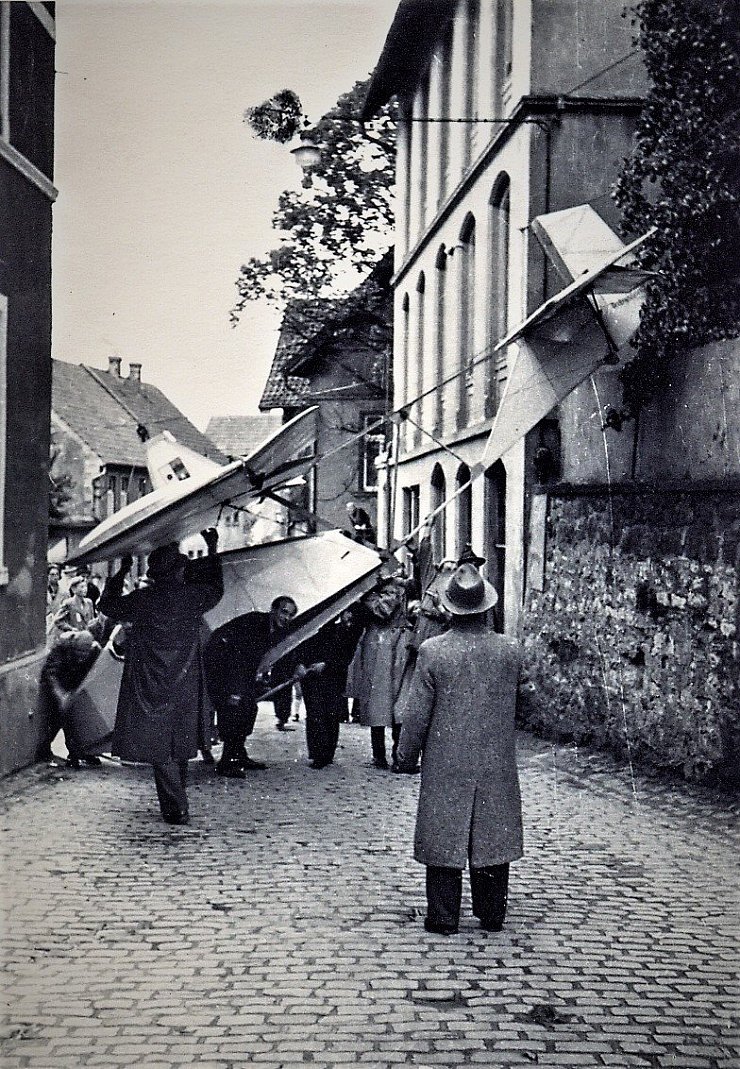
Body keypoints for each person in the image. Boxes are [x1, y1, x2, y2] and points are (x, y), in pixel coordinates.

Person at [394, 563, 523, 936]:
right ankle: (492, 913)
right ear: (486, 607)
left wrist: (405, 757)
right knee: (491, 835)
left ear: (450, 607)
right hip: (495, 760)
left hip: (445, 759)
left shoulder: (434, 652)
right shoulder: (510, 651)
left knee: (443, 833)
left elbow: (417, 714)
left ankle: (444, 916)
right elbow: (525, 699)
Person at [97, 531, 223, 825]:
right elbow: (216, 589)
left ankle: (176, 804)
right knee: (178, 739)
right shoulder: (192, 597)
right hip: (185, 678)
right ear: (177, 571)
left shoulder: (142, 599)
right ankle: (176, 802)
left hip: (150, 681)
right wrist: (213, 548)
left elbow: (107, 606)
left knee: (158, 741)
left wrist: (122, 572)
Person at [202, 595, 298, 778]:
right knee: (233, 710)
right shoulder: (255, 624)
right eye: (284, 612)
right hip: (221, 666)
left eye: (290, 615)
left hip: (236, 668)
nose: (286, 618)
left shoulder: (272, 629)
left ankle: (239, 754)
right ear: (273, 610)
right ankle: (226, 762)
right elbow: (236, 657)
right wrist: (235, 691)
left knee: (249, 708)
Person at [346, 578, 407, 769]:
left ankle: (396, 755)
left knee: (396, 704)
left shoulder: (389, 591)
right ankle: (380, 754)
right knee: (378, 703)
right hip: (378, 648)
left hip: (391, 647)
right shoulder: (379, 592)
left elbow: (385, 610)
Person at [294, 607, 365, 769]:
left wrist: (326, 664)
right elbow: (299, 646)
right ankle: (318, 754)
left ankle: (326, 754)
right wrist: (299, 664)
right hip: (310, 675)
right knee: (314, 714)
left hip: (332, 677)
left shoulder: (346, 631)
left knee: (330, 715)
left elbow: (346, 656)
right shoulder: (312, 627)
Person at [36, 630, 103, 768]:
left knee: (83, 720)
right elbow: (51, 673)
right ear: (73, 648)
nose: (82, 657)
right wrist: (60, 695)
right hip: (59, 685)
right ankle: (55, 752)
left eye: (85, 654)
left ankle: (83, 752)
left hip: (77, 684)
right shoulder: (61, 648)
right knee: (60, 720)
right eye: (79, 653)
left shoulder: (95, 650)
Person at [49, 573, 96, 645]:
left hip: (87, 639)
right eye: (82, 587)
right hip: (74, 640)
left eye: (85, 586)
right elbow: (58, 621)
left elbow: (92, 620)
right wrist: (70, 628)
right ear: (74, 589)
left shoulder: (89, 602)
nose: (85, 589)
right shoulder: (68, 603)